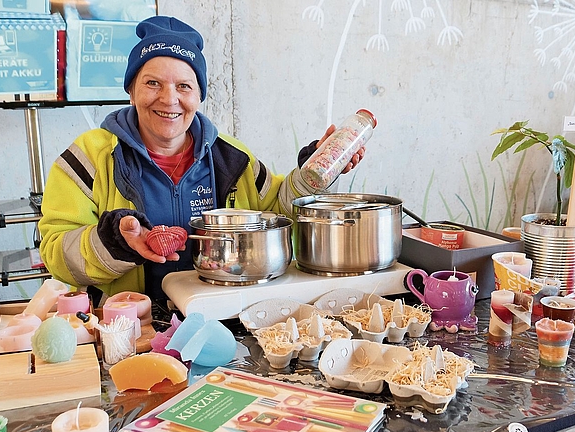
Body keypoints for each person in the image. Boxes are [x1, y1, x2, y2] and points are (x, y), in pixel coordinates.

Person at [39, 16, 363, 301]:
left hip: (221, 319)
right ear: (132, 90)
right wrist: (113, 242)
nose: (169, 99)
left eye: (184, 86)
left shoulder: (232, 157)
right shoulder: (89, 159)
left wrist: (313, 171)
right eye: (152, 83)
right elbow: (55, 252)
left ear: (198, 96)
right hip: (132, 326)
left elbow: (277, 211)